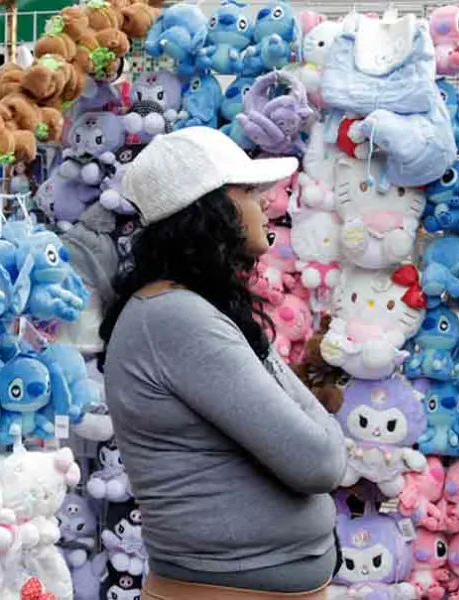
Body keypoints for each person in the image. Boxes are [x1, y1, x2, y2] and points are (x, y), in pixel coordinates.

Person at [100, 127, 347, 599]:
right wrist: (333, 440)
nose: (264, 205)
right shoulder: (178, 318)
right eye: (249, 192)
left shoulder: (201, 309)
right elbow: (319, 462)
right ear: (211, 210)